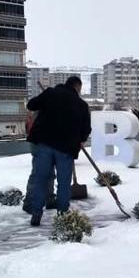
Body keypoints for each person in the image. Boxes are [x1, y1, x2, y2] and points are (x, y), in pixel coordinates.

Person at [25, 76, 91, 226]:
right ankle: (62, 215)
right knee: (64, 183)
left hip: (44, 144)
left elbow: (31, 105)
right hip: (66, 149)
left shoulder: (50, 93)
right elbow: (86, 129)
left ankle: (36, 213)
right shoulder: (81, 105)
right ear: (77, 88)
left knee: (40, 179)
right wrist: (80, 139)